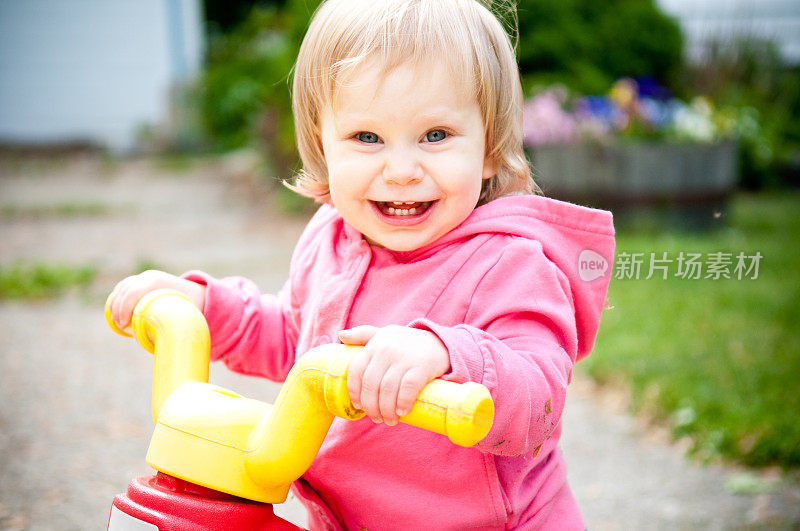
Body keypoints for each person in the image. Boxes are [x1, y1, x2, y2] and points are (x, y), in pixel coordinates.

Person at [107, 0, 615, 528]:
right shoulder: (333, 238)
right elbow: (296, 339)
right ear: (322, 147)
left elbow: (538, 397)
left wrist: (446, 354)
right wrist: (207, 308)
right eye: (366, 138)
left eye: (435, 136)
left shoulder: (510, 265)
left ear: (489, 147)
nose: (400, 170)